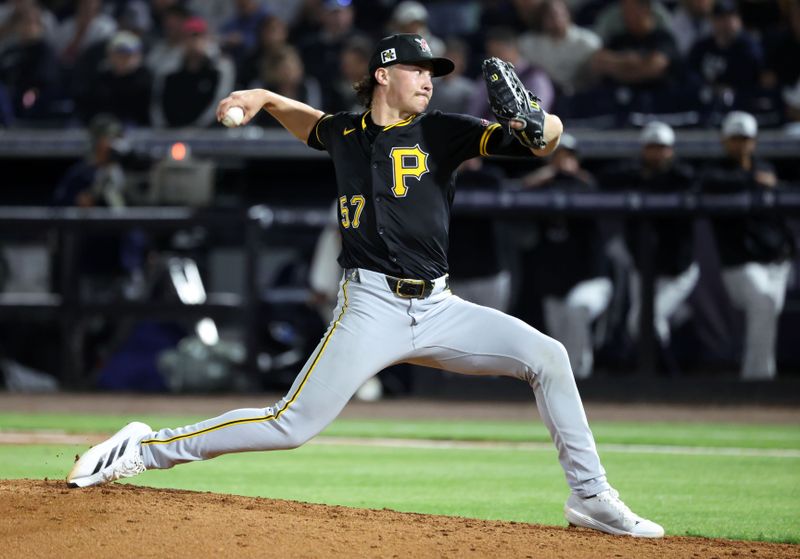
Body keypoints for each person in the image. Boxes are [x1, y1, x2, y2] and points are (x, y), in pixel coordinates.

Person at [67, 32, 664, 539]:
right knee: (289, 425)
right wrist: (265, 96)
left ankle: (590, 498)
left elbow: (544, 140)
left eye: (433, 72)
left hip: (440, 306)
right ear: (383, 75)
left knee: (550, 357)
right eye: (417, 69)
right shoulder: (346, 135)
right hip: (371, 305)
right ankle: (143, 450)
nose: (428, 80)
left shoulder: (444, 131)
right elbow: (310, 124)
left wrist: (542, 119)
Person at [700, 111, 795, 380]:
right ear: (724, 141)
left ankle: (759, 374)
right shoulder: (716, 171)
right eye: (735, 139)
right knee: (763, 304)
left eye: (745, 139)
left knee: (766, 316)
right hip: (741, 265)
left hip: (777, 262)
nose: (741, 144)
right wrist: (751, 181)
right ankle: (758, 379)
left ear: (754, 141)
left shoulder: (765, 168)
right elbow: (707, 183)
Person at [603, 122, 698, 366]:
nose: (657, 153)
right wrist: (641, 178)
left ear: (672, 150)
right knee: (645, 322)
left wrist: (650, 181)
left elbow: (690, 180)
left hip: (678, 270)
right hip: (643, 268)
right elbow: (606, 179)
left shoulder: (681, 176)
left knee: (643, 320)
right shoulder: (633, 174)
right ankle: (666, 374)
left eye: (662, 148)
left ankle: (667, 371)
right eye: (652, 147)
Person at [519, 134, 612, 379]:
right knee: (557, 340)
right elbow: (519, 191)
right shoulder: (545, 186)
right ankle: (569, 379)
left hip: (591, 281)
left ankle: (582, 375)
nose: (563, 162)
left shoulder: (587, 187)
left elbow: (595, 192)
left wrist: (572, 174)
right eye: (558, 156)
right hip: (555, 281)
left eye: (568, 156)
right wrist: (547, 175)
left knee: (577, 309)